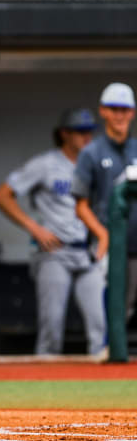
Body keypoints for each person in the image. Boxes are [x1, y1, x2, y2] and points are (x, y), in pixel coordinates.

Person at [0, 108, 106, 357]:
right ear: (64, 134)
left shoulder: (96, 165)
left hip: (88, 252)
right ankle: (44, 388)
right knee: (51, 327)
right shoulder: (45, 164)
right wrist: (34, 228)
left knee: (99, 325)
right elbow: (1, 195)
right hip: (55, 251)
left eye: (90, 132)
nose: (86, 137)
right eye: (80, 132)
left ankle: (102, 392)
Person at [72, 83, 137, 321]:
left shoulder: (135, 147)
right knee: (105, 309)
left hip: (135, 244)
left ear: (132, 112)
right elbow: (80, 205)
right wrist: (103, 235)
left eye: (124, 109)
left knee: (126, 307)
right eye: (114, 109)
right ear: (103, 111)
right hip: (107, 246)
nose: (119, 115)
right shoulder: (92, 152)